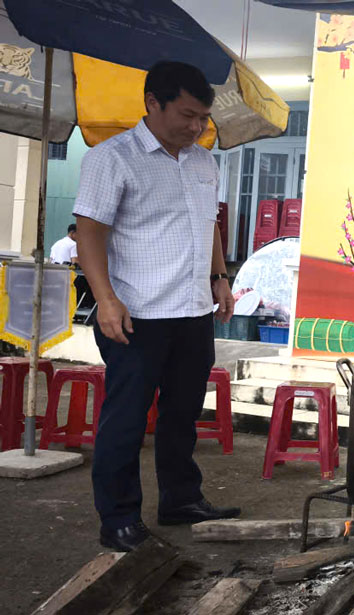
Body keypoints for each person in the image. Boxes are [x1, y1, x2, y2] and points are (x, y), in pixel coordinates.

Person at [74, 61, 240, 553]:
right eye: (187, 115)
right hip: (136, 314)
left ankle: (180, 499)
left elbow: (209, 223)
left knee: (182, 414)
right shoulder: (113, 158)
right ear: (152, 103)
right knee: (126, 419)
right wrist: (105, 299)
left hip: (192, 312)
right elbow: (90, 232)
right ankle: (119, 517)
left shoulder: (203, 161)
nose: (195, 127)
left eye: (202, 119)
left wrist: (219, 277)